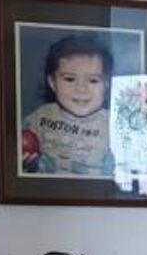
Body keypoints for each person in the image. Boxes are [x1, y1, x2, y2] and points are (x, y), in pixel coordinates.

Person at [22, 35, 116, 177]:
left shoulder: (114, 124)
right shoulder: (40, 117)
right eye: (70, 79)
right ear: (52, 82)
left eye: (93, 80)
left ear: (107, 85)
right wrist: (24, 164)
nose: (81, 89)